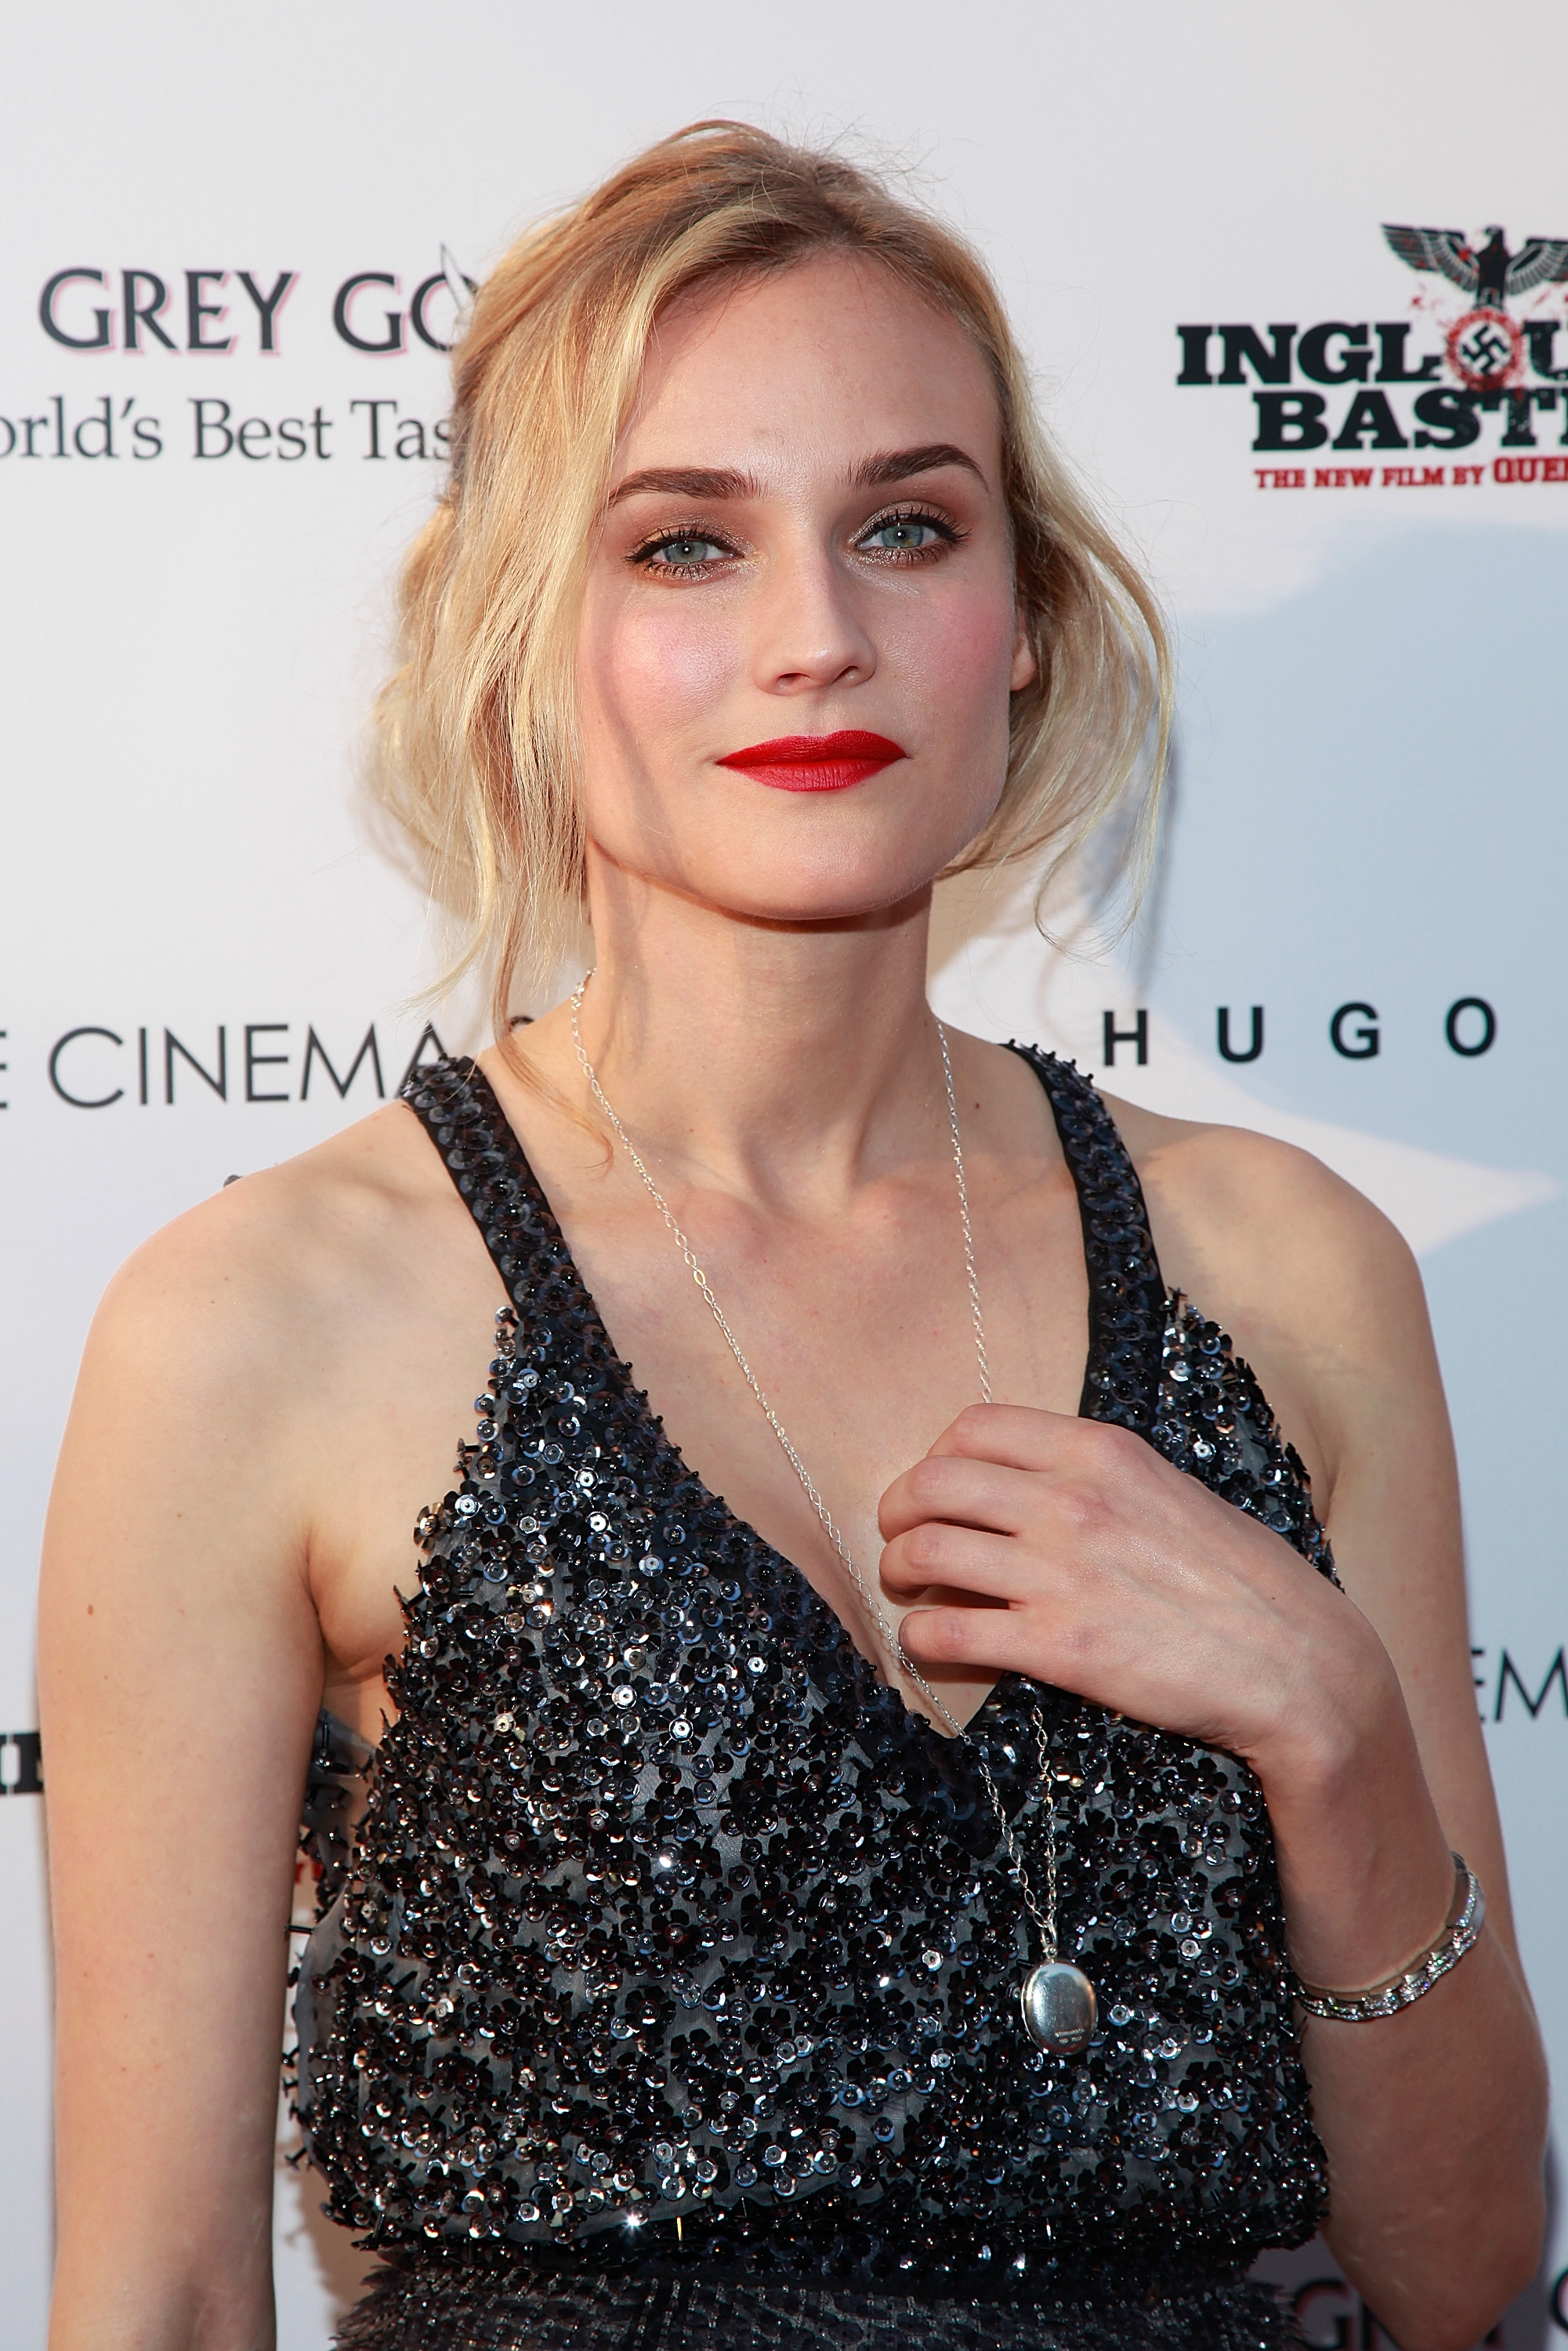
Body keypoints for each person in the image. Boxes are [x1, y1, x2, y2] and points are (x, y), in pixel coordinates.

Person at [40, 123, 1545, 2351]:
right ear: (520, 632)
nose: (817, 640)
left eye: (905, 528)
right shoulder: (263, 1321)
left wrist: (1333, 1727)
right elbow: (164, 2289)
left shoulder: (1287, 1270)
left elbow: (1461, 2269)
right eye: (684, 545)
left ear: (1022, 619)